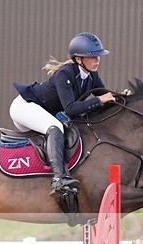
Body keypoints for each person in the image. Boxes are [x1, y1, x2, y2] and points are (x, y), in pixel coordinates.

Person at [10, 32, 117, 197]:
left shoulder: (92, 76)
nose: (97, 60)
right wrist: (100, 100)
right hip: (24, 107)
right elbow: (72, 109)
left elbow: (106, 95)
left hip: (44, 111)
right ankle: (59, 178)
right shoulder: (64, 74)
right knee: (55, 127)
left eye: (99, 56)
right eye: (93, 56)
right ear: (78, 59)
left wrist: (122, 97)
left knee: (65, 126)